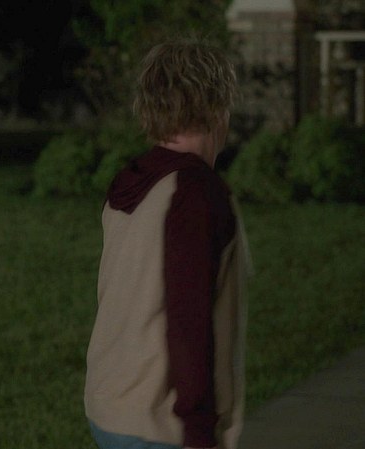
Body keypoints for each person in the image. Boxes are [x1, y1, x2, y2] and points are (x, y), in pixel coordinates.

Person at [83, 39, 250, 449]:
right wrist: (199, 432)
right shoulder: (196, 194)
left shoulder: (133, 181)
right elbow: (188, 319)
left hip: (111, 406)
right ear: (217, 107)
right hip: (161, 426)